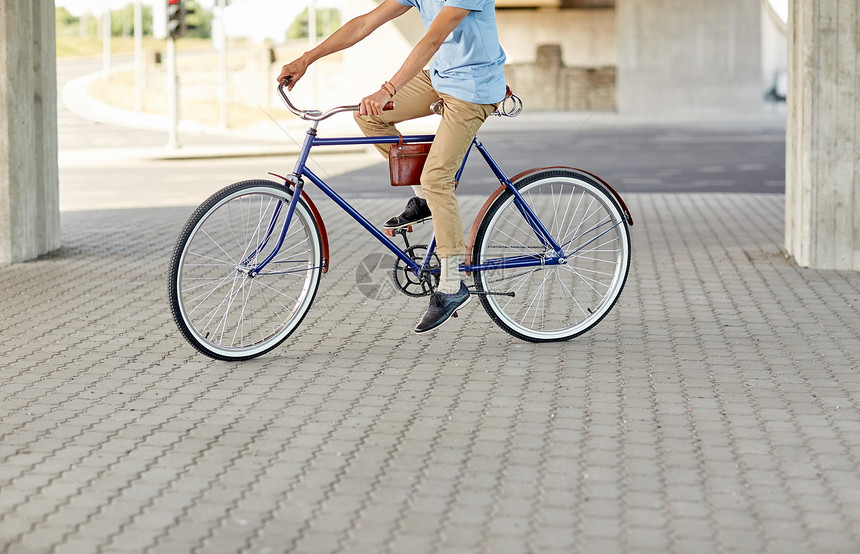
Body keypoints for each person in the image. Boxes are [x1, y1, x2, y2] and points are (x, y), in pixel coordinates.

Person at [277, 0, 507, 333]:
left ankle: (452, 284)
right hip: (441, 78)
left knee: (437, 177)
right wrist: (306, 59)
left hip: (474, 88)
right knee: (368, 115)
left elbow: (432, 39)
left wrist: (388, 89)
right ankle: (425, 200)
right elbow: (364, 23)